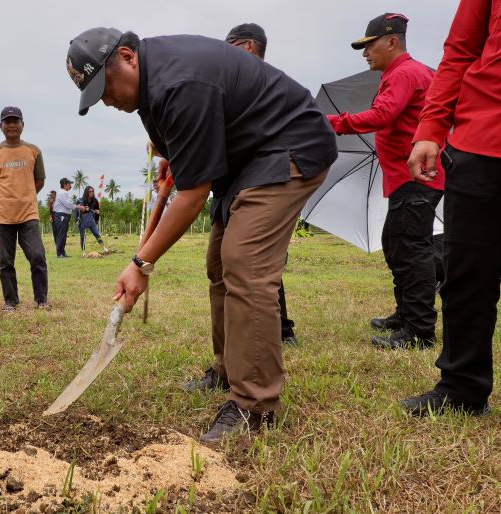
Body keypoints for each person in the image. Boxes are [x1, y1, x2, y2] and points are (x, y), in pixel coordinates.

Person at [67, 27, 336, 441]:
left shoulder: (180, 82)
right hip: (244, 159)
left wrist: (141, 263)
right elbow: (185, 150)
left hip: (287, 145)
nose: (107, 100)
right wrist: (173, 158)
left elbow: (193, 196)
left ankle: (255, 405)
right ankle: (229, 366)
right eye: (97, 95)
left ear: (127, 56)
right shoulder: (149, 90)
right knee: (218, 263)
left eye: (106, 87)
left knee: (244, 262)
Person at [402, 0, 500, 417]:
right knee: (466, 273)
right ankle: (462, 385)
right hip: (482, 139)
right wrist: (431, 127)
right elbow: (459, 50)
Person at [327, 13, 444, 350]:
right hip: (407, 179)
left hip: (418, 177)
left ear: (391, 41)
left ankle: (419, 331)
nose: (365, 54)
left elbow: (382, 115)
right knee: (396, 245)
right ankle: (406, 314)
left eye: (369, 46)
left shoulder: (405, 73)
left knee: (411, 249)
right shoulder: (405, 73)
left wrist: (330, 123)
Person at [225, 22, 298, 346]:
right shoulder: (244, 85)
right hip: (245, 182)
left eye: (229, 47)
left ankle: (281, 331)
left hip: (270, 179)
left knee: (259, 262)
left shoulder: (261, 86)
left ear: (247, 47)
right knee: (254, 262)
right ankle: (277, 330)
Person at [0, 106, 49, 311]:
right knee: (5, 261)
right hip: (3, 216)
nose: (11, 125)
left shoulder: (34, 151)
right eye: (7, 121)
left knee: (37, 256)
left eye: (15, 121)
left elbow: (39, 181)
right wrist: (1, 203)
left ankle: (41, 300)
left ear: (22, 125)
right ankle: (10, 301)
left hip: (28, 214)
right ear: (1, 126)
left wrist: (25, 196)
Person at [51, 177, 77, 257]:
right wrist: (78, 207)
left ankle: (62, 253)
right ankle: (60, 254)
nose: (70, 185)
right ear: (65, 184)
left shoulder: (64, 193)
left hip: (63, 216)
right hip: (61, 215)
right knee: (61, 235)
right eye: (69, 184)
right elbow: (68, 205)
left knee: (63, 235)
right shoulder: (63, 193)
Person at [76, 186, 107, 255]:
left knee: (96, 233)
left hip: (91, 219)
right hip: (82, 219)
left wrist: (96, 220)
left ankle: (104, 248)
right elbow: (77, 211)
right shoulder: (80, 200)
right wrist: (77, 219)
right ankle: (83, 252)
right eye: (90, 191)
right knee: (83, 236)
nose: (91, 192)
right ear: (86, 192)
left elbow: (97, 211)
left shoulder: (95, 200)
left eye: (92, 191)